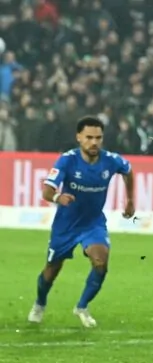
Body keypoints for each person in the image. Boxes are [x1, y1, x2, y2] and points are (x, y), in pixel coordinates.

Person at [28, 116, 135, 328]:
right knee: (51, 270)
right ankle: (40, 303)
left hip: (93, 223)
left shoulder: (111, 160)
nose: (94, 142)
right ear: (79, 137)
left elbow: (128, 171)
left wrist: (130, 199)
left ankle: (82, 306)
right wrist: (58, 197)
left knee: (101, 262)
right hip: (66, 225)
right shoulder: (67, 160)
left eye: (98, 138)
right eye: (89, 137)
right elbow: (47, 191)